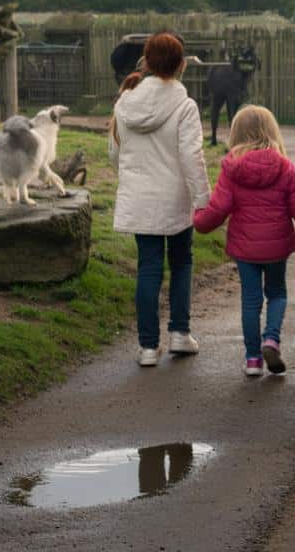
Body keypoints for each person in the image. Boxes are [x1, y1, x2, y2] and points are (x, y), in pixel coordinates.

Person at [109, 32, 212, 367]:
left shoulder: (125, 103)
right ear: (181, 65)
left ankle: (148, 347)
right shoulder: (185, 106)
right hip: (175, 197)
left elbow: (115, 152)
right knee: (181, 261)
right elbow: (192, 156)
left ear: (147, 61)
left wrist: (130, 178)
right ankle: (180, 333)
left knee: (148, 266)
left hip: (140, 195)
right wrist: (202, 198)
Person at [194, 105, 295, 377]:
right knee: (277, 293)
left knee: (250, 301)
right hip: (277, 247)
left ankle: (252, 359)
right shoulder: (284, 167)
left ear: (236, 133)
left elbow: (219, 207)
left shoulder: (232, 168)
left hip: (245, 248)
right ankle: (271, 339)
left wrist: (200, 222)